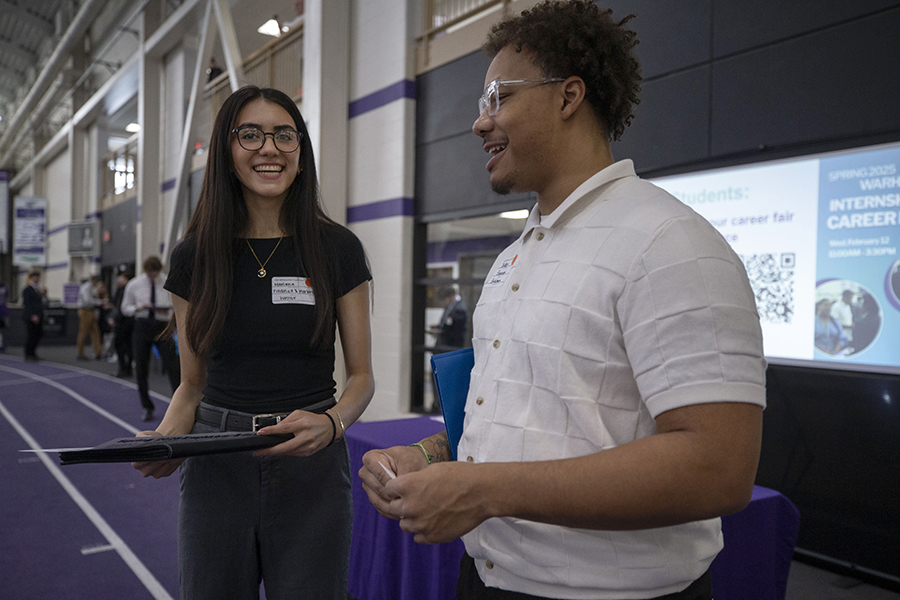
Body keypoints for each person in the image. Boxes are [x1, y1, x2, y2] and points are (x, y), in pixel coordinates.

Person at [359, 3, 766, 599]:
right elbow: (518, 422)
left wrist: (483, 490)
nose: (479, 123)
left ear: (569, 96)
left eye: (498, 97)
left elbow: (719, 468)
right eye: (480, 104)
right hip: (486, 579)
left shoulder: (670, 242)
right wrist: (429, 455)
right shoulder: (514, 258)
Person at [133, 86, 374, 600]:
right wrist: (167, 438)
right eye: (251, 134)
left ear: (300, 150)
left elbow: (361, 378)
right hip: (216, 463)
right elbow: (192, 387)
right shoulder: (194, 256)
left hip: (312, 464)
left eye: (285, 135)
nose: (270, 148)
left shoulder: (339, 248)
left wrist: (332, 424)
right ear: (226, 149)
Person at [122, 256, 181, 421]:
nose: (153, 276)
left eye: (155, 273)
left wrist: (168, 310)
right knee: (141, 367)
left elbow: (177, 303)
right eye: (150, 273)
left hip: (162, 326)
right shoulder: (134, 284)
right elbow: (124, 308)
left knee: (173, 366)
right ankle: (147, 406)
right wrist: (138, 307)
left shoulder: (168, 281)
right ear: (145, 270)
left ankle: (179, 405)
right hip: (142, 325)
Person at [430, 285, 469, 354]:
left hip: (450, 348)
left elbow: (456, 333)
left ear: (452, 296)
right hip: (443, 347)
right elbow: (447, 323)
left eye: (445, 300)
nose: (444, 302)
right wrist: (438, 327)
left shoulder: (460, 309)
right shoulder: (450, 306)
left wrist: (441, 332)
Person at [76, 275, 103, 360]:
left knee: (95, 332)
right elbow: (88, 301)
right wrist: (100, 302)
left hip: (90, 311)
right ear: (94, 281)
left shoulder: (90, 287)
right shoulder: (86, 288)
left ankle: (98, 352)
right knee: (83, 332)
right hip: (85, 311)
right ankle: (80, 353)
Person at [112, 272, 134, 377]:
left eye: (120, 281)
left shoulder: (124, 290)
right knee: (128, 345)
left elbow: (120, 307)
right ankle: (127, 368)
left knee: (121, 345)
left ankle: (124, 368)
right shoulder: (123, 290)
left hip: (124, 321)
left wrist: (115, 319)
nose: (118, 283)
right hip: (129, 320)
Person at [22, 269, 44, 361]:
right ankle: (28, 354)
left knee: (37, 336)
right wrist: (32, 315)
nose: (36, 279)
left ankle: (33, 353)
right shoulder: (27, 290)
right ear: (31, 278)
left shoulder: (38, 290)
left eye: (37, 277)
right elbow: (28, 304)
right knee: (31, 335)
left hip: (39, 316)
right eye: (34, 277)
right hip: (31, 316)